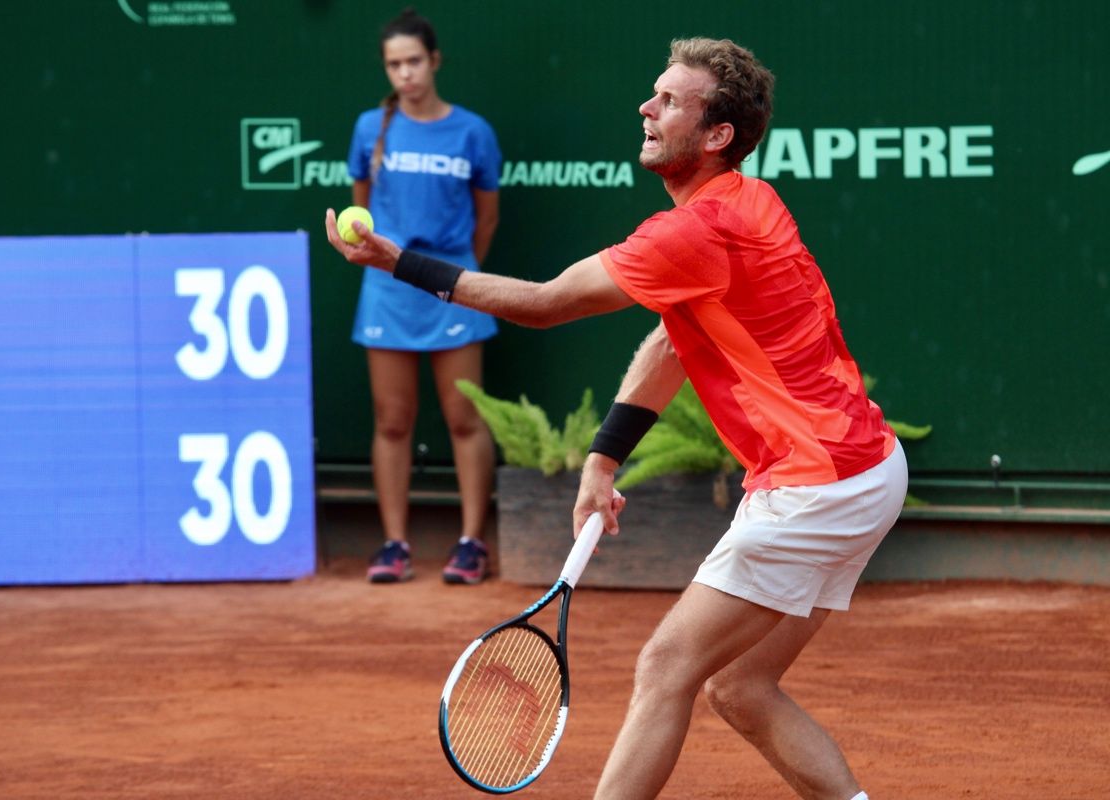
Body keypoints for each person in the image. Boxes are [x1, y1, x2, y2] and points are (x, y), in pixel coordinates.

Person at [327, 36, 906, 800]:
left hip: (815, 484)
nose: (646, 106)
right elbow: (673, 337)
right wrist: (603, 461)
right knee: (739, 687)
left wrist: (399, 262)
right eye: (653, 92)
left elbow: (540, 304)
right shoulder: (747, 200)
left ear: (717, 134)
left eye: (669, 100)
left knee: (666, 666)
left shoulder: (691, 232)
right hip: (868, 469)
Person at [344, 8, 501, 585]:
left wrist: (462, 276)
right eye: (394, 64)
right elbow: (364, 206)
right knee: (392, 420)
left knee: (464, 417)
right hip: (386, 293)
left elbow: (486, 219)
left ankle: (470, 543)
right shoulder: (370, 128)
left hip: (452, 286)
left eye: (413, 61)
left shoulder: (473, 132)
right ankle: (394, 543)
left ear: (434, 61)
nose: (405, 73)